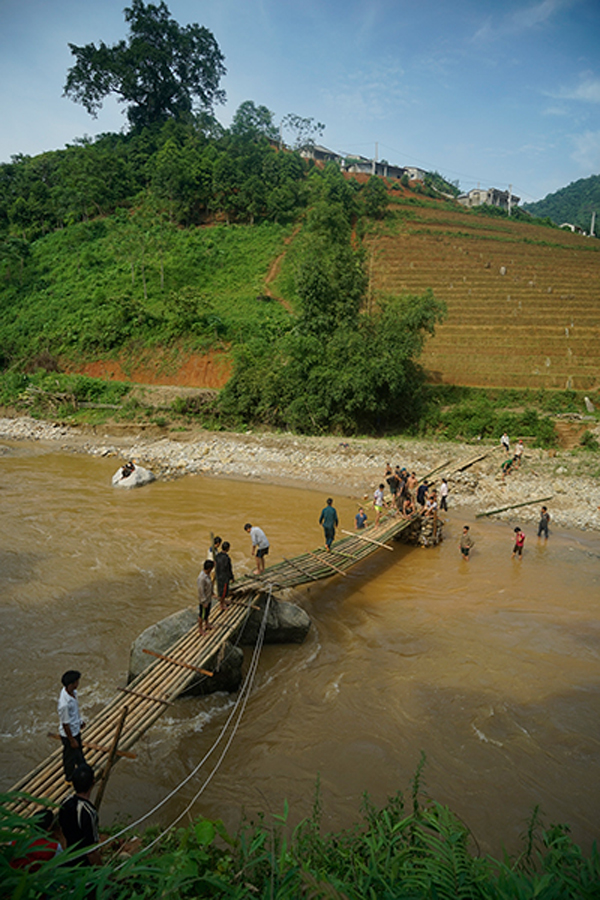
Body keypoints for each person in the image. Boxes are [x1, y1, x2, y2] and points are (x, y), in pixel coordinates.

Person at [58, 763, 101, 867]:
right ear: (93, 783)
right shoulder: (89, 812)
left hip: (68, 856)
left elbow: (62, 831)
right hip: (82, 864)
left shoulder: (65, 802)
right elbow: (91, 851)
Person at [58, 670, 86, 783]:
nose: (78, 684)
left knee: (78, 751)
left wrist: (80, 722)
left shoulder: (73, 693)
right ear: (71, 684)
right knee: (69, 756)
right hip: (69, 734)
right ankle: (69, 777)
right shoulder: (64, 704)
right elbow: (65, 724)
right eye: (76, 682)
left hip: (75, 729)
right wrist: (71, 740)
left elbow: (74, 713)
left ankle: (82, 767)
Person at [215, 541, 234, 609]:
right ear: (228, 548)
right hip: (224, 576)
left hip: (218, 575)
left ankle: (223, 601)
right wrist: (232, 577)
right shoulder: (227, 558)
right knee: (224, 591)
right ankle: (221, 605)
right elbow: (229, 569)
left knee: (220, 589)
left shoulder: (217, 556)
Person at [197, 559, 214, 634]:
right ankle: (200, 629)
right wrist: (204, 601)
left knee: (207, 613)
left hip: (208, 597)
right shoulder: (202, 578)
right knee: (202, 614)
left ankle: (207, 624)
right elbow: (201, 591)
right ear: (210, 569)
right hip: (204, 600)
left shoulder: (207, 575)